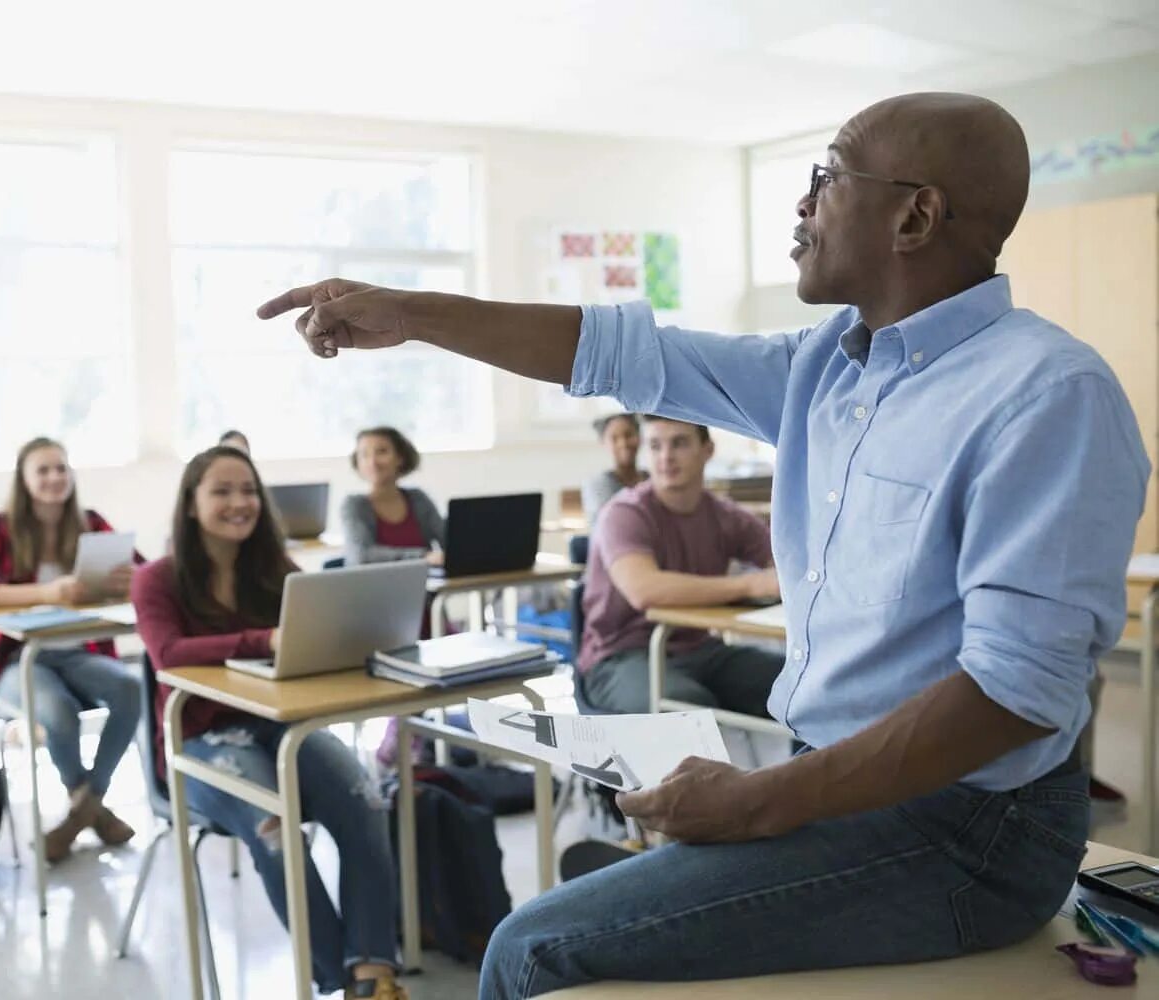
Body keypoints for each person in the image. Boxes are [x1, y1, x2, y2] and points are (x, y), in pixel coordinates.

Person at [257, 92, 1150, 997]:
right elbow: (613, 352)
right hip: (849, 786)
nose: (803, 206)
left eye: (827, 178)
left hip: (970, 831)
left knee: (530, 950)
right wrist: (411, 314)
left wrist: (758, 803)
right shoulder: (826, 366)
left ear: (914, 215)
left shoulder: (1046, 394)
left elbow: (1015, 695)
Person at [132, 446, 408, 1000]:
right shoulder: (156, 580)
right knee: (274, 828)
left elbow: (312, 632)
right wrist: (263, 639)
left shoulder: (275, 570)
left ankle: (372, 973)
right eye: (223, 491)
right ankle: (340, 980)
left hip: (284, 729)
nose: (240, 503)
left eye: (249, 491)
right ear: (190, 504)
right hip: (198, 744)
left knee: (366, 800)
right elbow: (169, 653)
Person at [0, 436, 141, 863]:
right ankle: (93, 811)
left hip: (81, 653)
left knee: (131, 688)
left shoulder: (90, 522)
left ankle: (81, 811)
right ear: (24, 478)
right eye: (44, 470)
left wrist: (126, 581)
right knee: (57, 714)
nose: (55, 477)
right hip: (20, 658)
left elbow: (146, 574)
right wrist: (47, 592)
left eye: (62, 468)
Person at [579, 415, 781, 717]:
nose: (666, 457)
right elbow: (643, 590)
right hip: (620, 656)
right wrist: (750, 584)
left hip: (700, 649)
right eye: (655, 446)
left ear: (708, 450)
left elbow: (788, 565)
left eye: (680, 443)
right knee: (687, 707)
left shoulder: (725, 515)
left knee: (799, 683)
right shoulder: (623, 513)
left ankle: (800, 763)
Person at [340, 426, 444, 566]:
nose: (373, 462)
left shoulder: (418, 499)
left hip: (421, 583)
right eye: (364, 454)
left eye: (381, 452)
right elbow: (363, 555)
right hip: (372, 585)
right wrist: (423, 556)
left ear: (400, 458)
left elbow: (447, 538)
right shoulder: (354, 505)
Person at [580, 413, 646, 522]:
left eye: (628, 435)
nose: (623, 443)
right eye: (614, 438)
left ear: (639, 437)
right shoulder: (598, 484)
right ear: (603, 442)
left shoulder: (651, 478)